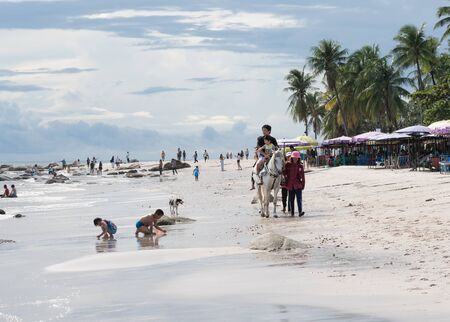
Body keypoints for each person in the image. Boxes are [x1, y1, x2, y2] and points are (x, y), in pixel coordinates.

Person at [251, 124, 278, 190]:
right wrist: (265, 154)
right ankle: (257, 178)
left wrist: (272, 153)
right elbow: (259, 148)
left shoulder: (273, 139)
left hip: (272, 156)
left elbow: (276, 148)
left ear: (269, 131)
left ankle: (281, 179)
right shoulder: (260, 139)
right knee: (258, 164)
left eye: (265, 130)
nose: (263, 132)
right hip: (263, 155)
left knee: (279, 164)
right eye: (263, 130)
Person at [283, 151, 305, 217]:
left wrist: (303, 185)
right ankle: (292, 213)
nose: (295, 159)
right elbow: (284, 173)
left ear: (298, 158)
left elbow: (303, 176)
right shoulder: (288, 165)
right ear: (291, 158)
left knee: (299, 199)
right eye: (294, 158)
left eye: (297, 158)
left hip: (298, 185)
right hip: (290, 185)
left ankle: (300, 212)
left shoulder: (300, 166)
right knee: (291, 200)